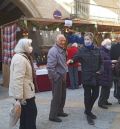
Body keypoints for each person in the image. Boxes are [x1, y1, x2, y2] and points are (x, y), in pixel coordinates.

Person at [67, 32, 102, 125]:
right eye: (85, 39)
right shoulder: (81, 50)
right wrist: (71, 60)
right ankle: (88, 113)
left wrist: (100, 70)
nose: (86, 41)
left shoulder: (97, 50)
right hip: (86, 77)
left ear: (92, 40)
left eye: (88, 39)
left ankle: (87, 110)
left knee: (95, 94)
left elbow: (101, 62)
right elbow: (75, 58)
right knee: (87, 96)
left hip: (96, 76)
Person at [9, 38, 37, 129]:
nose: (30, 47)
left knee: (26, 117)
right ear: (24, 46)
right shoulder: (20, 58)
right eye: (29, 45)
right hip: (25, 95)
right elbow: (17, 79)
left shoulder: (22, 56)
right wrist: (20, 98)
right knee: (30, 116)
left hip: (26, 92)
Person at [47, 34, 68, 122]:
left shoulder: (62, 49)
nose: (63, 42)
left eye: (64, 40)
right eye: (61, 40)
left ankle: (60, 111)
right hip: (58, 77)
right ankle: (52, 116)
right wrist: (57, 77)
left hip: (62, 76)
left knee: (62, 96)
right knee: (56, 97)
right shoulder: (53, 51)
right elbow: (50, 67)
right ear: (56, 41)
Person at [98, 39, 113, 109]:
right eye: (108, 44)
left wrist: (111, 64)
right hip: (104, 72)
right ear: (104, 44)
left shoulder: (107, 51)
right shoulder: (101, 51)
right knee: (104, 88)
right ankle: (101, 102)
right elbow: (101, 61)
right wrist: (110, 62)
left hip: (108, 71)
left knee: (108, 87)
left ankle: (105, 100)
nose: (109, 45)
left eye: (110, 44)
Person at [110, 34, 120, 103]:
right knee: (117, 83)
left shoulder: (113, 47)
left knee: (117, 83)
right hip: (117, 67)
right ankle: (118, 96)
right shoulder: (113, 47)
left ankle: (117, 96)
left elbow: (111, 56)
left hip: (116, 68)